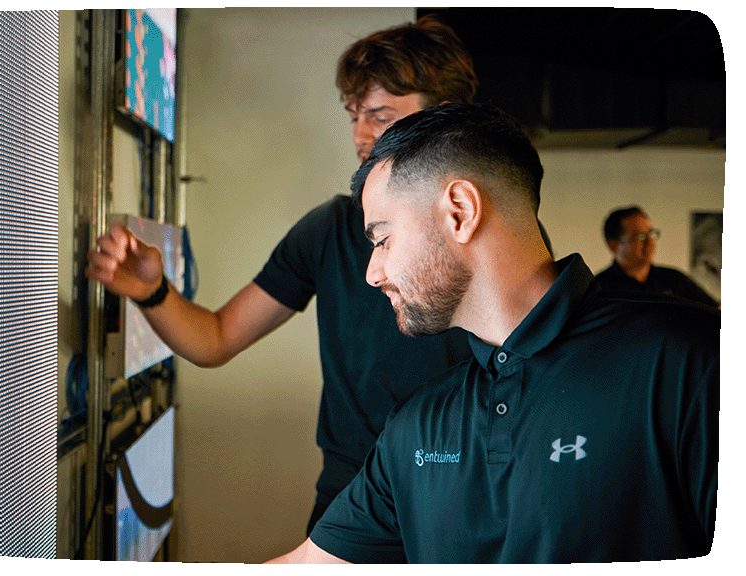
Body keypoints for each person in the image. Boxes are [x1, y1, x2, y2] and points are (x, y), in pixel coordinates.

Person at [268, 103, 719, 563]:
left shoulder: (693, 362)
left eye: (382, 239)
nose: (373, 272)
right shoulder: (417, 426)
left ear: (460, 211)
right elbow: (309, 564)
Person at [85, 16, 478, 535]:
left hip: (465, 495)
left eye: (380, 116)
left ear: (444, 118)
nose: (362, 136)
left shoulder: (484, 223)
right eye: (354, 115)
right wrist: (154, 292)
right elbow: (215, 339)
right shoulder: (330, 228)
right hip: (352, 495)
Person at [595, 205, 719, 307]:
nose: (650, 242)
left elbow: (714, 310)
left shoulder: (675, 280)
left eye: (651, 233)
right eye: (640, 236)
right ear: (614, 245)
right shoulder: (599, 288)